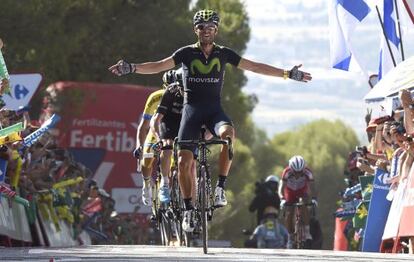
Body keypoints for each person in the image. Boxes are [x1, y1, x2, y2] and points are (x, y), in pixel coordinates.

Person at [109, 9, 312, 232]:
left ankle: (220, 188)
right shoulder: (186, 53)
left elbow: (254, 66)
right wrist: (131, 67)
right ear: (196, 30)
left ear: (216, 30)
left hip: (214, 111)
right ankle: (187, 211)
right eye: (201, 27)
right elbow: (158, 65)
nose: (206, 30)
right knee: (184, 161)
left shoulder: (224, 53)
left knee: (228, 135)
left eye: (210, 27)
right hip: (191, 112)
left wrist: (286, 73)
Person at [132, 72, 174, 205]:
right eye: (169, 87)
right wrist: (140, 146)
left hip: (173, 131)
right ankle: (146, 185)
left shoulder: (186, 97)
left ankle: (173, 194)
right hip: (157, 130)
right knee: (148, 156)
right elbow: (143, 126)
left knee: (175, 167)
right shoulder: (155, 97)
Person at [150, 69, 184, 204]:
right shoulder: (170, 92)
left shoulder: (196, 92)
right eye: (180, 87)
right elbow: (156, 119)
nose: (183, 90)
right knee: (167, 146)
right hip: (168, 122)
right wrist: (158, 137)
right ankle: (164, 183)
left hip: (184, 123)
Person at [279, 155, 317, 248]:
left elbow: (313, 187)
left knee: (304, 204)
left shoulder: (308, 172)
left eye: (300, 172)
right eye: (296, 172)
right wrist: (282, 199)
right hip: (290, 191)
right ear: (291, 169)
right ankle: (290, 237)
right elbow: (281, 188)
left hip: (302, 191)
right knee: (289, 212)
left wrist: (314, 199)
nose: (298, 175)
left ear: (303, 169)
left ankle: (307, 233)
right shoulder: (286, 172)